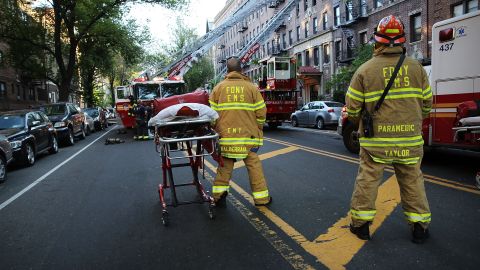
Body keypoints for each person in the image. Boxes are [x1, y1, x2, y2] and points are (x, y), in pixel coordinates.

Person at [346, 15, 433, 244]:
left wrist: (359, 124)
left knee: (368, 180)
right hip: (410, 141)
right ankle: (419, 228)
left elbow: (352, 110)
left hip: (376, 143)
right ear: (403, 40)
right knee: (413, 182)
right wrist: (412, 121)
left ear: (377, 41)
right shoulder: (418, 69)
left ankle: (361, 226)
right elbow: (426, 106)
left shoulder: (364, 71)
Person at [209, 57, 272, 207]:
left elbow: (211, 116)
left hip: (225, 138)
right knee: (254, 167)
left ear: (227, 70)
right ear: (241, 70)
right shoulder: (251, 88)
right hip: (247, 138)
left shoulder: (218, 88)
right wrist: (258, 128)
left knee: (224, 167)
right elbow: (261, 112)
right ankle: (261, 199)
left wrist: (216, 129)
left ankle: (218, 196)